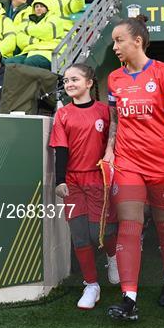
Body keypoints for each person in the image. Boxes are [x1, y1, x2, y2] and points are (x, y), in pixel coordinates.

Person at [103, 15, 164, 321]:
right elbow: (115, 121)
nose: (114, 46)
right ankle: (129, 298)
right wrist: (109, 152)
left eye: (119, 40)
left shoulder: (162, 73)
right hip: (128, 162)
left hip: (161, 163)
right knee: (130, 225)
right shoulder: (114, 78)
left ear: (137, 41)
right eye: (114, 41)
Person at [49, 63, 119, 309]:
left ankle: (113, 255)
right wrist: (60, 181)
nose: (69, 84)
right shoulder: (63, 114)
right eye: (66, 80)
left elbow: (113, 145)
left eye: (75, 79)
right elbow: (60, 149)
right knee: (80, 236)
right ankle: (91, 285)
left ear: (89, 83)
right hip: (73, 181)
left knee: (100, 232)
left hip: (98, 179)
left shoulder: (103, 112)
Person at [7, 0, 64, 70]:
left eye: (42, 6)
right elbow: (20, 38)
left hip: (48, 52)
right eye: (36, 6)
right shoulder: (29, 20)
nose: (39, 8)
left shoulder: (54, 18)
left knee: (31, 62)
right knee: (9, 62)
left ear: (47, 8)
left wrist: (27, 29)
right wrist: (38, 39)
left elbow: (46, 32)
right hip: (29, 51)